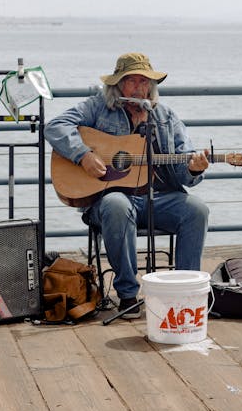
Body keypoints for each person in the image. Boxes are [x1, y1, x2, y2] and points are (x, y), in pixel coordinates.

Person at [44, 53, 209, 319]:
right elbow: (55, 126)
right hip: (110, 202)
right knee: (117, 204)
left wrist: (193, 169)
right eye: (131, 81)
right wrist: (83, 155)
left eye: (144, 81)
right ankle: (128, 295)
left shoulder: (165, 116)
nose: (138, 87)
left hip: (159, 199)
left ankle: (184, 291)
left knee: (197, 210)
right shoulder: (98, 107)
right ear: (117, 85)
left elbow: (182, 166)